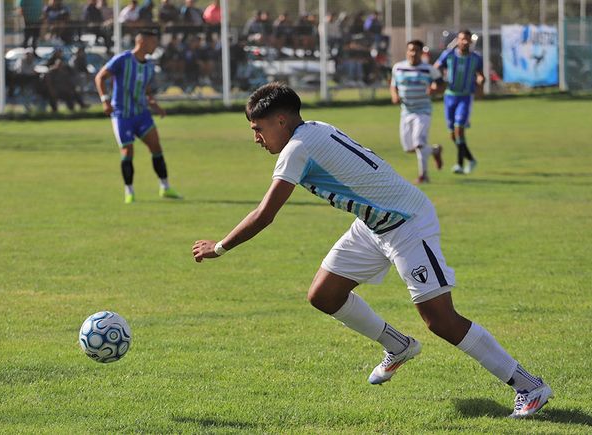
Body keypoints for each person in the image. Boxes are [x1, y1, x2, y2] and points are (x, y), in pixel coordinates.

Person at [192, 82, 552, 419]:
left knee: (440, 319)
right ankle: (399, 346)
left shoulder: (297, 149)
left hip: (407, 223)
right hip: (373, 224)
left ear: (281, 120)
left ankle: (529, 386)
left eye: (258, 128)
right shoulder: (313, 128)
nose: (256, 137)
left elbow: (264, 214)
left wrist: (220, 247)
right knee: (324, 294)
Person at [95, 29, 183, 203]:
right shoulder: (122, 60)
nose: (155, 45)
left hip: (141, 114)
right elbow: (100, 77)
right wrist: (105, 100)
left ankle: (165, 187)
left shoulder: (149, 65)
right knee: (128, 151)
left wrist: (154, 104)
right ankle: (129, 191)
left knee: (156, 147)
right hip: (122, 115)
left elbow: (145, 89)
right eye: (153, 42)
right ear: (142, 41)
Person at [391, 40, 444, 184]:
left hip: (423, 112)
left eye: (416, 50)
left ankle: (423, 176)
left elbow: (442, 86)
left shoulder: (429, 69)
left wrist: (434, 90)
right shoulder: (398, 68)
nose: (413, 53)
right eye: (410, 50)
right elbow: (393, 85)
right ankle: (434, 151)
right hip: (406, 112)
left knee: (419, 143)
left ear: (421, 53)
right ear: (407, 51)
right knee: (408, 148)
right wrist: (395, 96)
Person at [434, 29, 485, 175]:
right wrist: (436, 81)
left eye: (467, 39)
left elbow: (480, 74)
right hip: (449, 96)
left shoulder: (476, 58)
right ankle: (471, 159)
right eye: (462, 39)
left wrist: (481, 80)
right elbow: (436, 68)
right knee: (453, 135)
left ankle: (459, 164)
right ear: (457, 40)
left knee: (459, 130)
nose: (464, 42)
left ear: (470, 41)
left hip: (465, 97)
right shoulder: (448, 55)